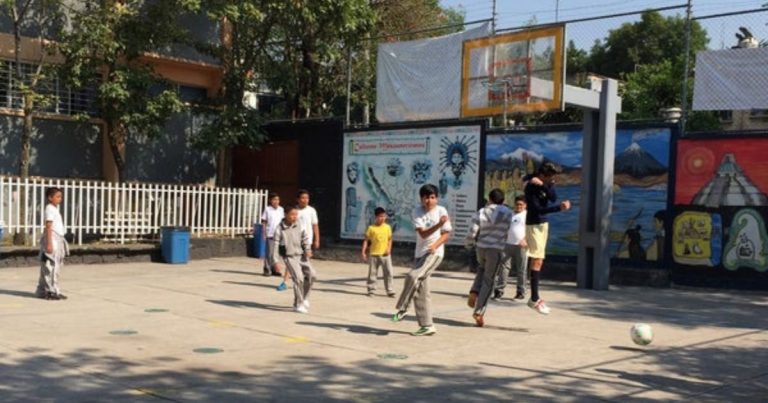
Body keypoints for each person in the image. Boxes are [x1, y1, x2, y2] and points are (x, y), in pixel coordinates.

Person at [392, 184, 452, 336]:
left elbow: (446, 234)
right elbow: (423, 234)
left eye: (432, 197)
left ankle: (403, 308)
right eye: (426, 197)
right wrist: (438, 224)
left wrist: (435, 245)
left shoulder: (441, 210)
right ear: (421, 198)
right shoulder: (416, 212)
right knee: (421, 292)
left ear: (437, 198)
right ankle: (427, 325)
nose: (429, 200)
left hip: (435, 253)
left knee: (413, 276)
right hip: (420, 254)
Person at [525, 163, 571, 315]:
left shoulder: (546, 183)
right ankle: (534, 298)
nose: (552, 180)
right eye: (549, 177)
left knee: (539, 260)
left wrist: (545, 185)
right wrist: (559, 208)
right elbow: (537, 209)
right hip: (534, 224)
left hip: (543, 224)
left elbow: (552, 198)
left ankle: (534, 298)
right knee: (537, 260)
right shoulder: (531, 186)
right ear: (542, 175)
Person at [465, 189, 512, 327]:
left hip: (481, 247)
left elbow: (473, 231)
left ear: (490, 199)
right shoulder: (508, 213)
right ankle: (479, 311)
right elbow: (511, 230)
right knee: (489, 281)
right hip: (495, 249)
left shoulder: (481, 211)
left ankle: (474, 291)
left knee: (481, 268)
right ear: (503, 200)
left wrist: (469, 243)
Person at [272, 205, 314, 313]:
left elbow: (305, 238)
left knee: (312, 275)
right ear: (285, 214)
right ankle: (298, 304)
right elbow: (275, 246)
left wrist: (307, 249)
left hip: (301, 255)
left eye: (296, 214)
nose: (294, 217)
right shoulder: (279, 229)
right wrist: (276, 261)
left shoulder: (299, 224)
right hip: (290, 257)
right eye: (292, 214)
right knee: (298, 279)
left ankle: (304, 298)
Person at [36, 187, 69, 300]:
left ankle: (46, 290)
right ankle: (49, 291)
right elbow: (48, 227)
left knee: (52, 267)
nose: (60, 199)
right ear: (50, 198)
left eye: (61, 197)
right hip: (52, 240)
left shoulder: (54, 209)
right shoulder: (49, 209)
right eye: (58, 196)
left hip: (57, 239)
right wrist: (49, 244)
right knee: (50, 267)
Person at [494, 195, 528, 301]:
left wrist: (525, 239)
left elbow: (531, 230)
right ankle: (499, 290)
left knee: (521, 269)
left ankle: (520, 292)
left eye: (521, 205)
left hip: (521, 246)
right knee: (504, 268)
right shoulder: (510, 214)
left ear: (525, 205)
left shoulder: (527, 215)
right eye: (517, 204)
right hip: (507, 244)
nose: (518, 206)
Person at [362, 207, 395, 297]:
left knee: (389, 272)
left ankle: (390, 290)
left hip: (385, 255)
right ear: (376, 217)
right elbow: (366, 240)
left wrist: (389, 249)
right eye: (380, 216)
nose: (383, 218)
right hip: (374, 254)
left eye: (384, 216)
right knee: (372, 273)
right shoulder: (371, 228)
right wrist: (363, 252)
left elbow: (390, 239)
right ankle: (371, 289)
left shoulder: (387, 227)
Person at [296, 189, 320, 308]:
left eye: (307, 198)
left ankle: (304, 297)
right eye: (303, 198)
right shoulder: (294, 211)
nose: (305, 200)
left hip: (307, 244)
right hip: (296, 244)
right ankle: (299, 300)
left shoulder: (311, 210)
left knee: (309, 274)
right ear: (298, 199)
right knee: (299, 275)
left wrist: (316, 239)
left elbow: (315, 226)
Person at [260, 193, 284, 276]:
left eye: (277, 199)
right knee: (269, 253)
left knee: (275, 254)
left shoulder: (281, 209)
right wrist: (264, 233)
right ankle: (267, 269)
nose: (276, 201)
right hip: (270, 234)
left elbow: (283, 221)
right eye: (274, 199)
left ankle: (274, 269)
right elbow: (264, 222)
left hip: (279, 234)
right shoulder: (267, 209)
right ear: (270, 200)